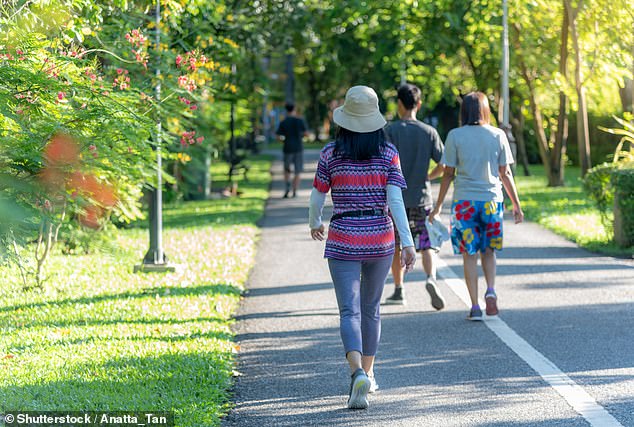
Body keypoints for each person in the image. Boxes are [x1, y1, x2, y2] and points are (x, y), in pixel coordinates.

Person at [309, 86, 416, 409]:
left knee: (348, 310)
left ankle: (356, 372)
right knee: (371, 309)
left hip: (343, 235)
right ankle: (367, 373)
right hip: (380, 238)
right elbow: (395, 200)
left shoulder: (330, 153)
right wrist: (407, 242)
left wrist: (315, 222)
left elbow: (317, 195)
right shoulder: (388, 153)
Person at [429, 91, 524, 320]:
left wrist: (438, 205)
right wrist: (516, 205)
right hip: (492, 202)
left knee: (469, 254)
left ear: (464, 112)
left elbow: (448, 174)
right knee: (488, 251)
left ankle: (475, 306)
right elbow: (505, 173)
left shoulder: (455, 136)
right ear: (485, 110)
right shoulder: (498, 135)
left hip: (464, 205)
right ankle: (490, 291)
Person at [384, 83, 446, 309]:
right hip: (422, 197)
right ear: (418, 104)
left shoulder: (390, 131)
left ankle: (399, 289)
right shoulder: (429, 132)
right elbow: (445, 164)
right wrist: (429, 176)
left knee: (397, 245)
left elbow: (383, 163)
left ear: (399, 104)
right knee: (426, 243)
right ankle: (431, 278)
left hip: (396, 199)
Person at [276, 103, 308, 198]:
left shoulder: (283, 122)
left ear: (286, 110)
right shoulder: (300, 120)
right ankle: (295, 191)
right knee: (297, 171)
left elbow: (278, 137)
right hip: (298, 148)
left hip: (287, 148)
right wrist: (300, 136)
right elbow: (306, 134)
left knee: (287, 170)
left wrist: (285, 140)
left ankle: (287, 188)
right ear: (294, 109)